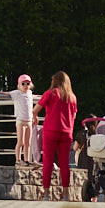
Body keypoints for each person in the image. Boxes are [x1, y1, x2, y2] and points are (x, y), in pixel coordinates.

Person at [32, 71, 78, 200]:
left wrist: (35, 118)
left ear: (55, 81)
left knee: (47, 162)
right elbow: (74, 116)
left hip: (51, 131)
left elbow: (35, 110)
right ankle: (65, 193)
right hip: (67, 133)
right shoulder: (72, 97)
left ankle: (46, 193)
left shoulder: (50, 93)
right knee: (64, 164)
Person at [0, 74, 37, 165]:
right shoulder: (17, 93)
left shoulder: (29, 93)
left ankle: (27, 160)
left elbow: (35, 96)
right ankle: (18, 160)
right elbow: (7, 93)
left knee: (28, 142)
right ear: (19, 85)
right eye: (23, 84)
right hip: (20, 120)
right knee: (21, 141)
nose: (25, 86)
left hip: (29, 121)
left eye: (27, 83)